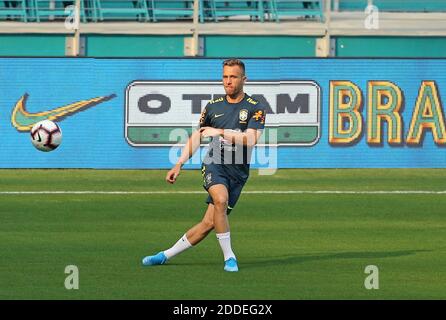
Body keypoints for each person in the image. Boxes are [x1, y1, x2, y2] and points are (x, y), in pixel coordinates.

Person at [142, 59, 266, 272]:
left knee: (209, 223)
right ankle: (229, 258)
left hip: (238, 172)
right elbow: (197, 137)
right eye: (225, 77)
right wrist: (179, 163)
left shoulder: (255, 107)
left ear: (244, 80)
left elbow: (251, 139)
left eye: (233, 77)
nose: (228, 81)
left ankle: (164, 255)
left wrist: (220, 132)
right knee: (220, 199)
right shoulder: (212, 106)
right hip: (214, 164)